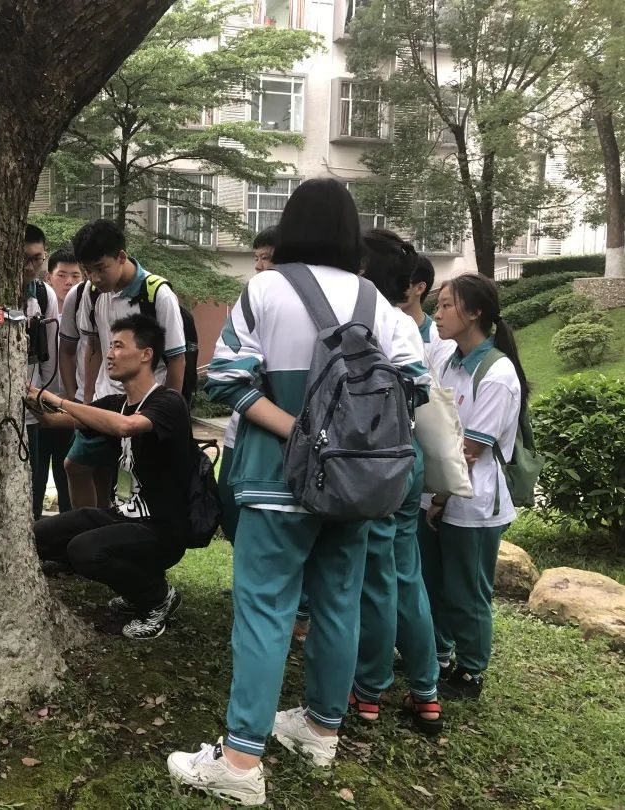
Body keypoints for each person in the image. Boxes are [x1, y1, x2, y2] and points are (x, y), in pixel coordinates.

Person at [167, 179, 428, 806]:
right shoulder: (374, 299)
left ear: (290, 227)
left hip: (274, 483)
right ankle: (320, 731)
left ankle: (239, 763)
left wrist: (300, 432)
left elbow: (227, 378)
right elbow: (414, 385)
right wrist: (346, 440)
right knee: (339, 604)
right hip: (354, 487)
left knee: (265, 610)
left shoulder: (265, 289)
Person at [29, 314, 194, 641]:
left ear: (146, 354)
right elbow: (54, 421)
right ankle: (136, 587)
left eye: (118, 346)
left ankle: (157, 597)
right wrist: (31, 397)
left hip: (163, 528)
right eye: (109, 346)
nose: (109, 354)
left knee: (84, 550)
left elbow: (126, 427)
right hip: (122, 516)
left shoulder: (168, 402)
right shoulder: (116, 404)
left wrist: (60, 400)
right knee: (39, 535)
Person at [349, 229, 442, 735]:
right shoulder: (406, 325)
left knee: (377, 579)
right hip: (410, 459)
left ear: (363, 271)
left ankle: (369, 691)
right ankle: (426, 692)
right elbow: (418, 393)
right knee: (407, 575)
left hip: (374, 465)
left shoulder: (361, 320)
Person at [418, 274, 527, 701]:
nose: (438, 314)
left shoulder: (497, 372)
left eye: (446, 305)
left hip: (472, 503)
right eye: (438, 305)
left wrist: (440, 498)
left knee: (467, 591)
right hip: (437, 496)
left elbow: (471, 450)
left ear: (475, 312)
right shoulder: (448, 360)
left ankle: (472, 670)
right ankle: (440, 654)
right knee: (433, 582)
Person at [62, 220, 186, 509]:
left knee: (130, 482)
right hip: (105, 400)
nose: (93, 277)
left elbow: (176, 359)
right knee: (76, 466)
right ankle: (89, 527)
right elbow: (93, 347)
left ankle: (118, 525)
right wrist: (86, 400)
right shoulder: (91, 293)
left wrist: (166, 412)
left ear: (121, 257)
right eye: (87, 270)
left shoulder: (157, 294)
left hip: (143, 407)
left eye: (100, 268)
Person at [217, 226, 276, 543]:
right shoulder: (251, 300)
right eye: (257, 258)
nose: (258, 266)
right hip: (241, 427)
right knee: (230, 510)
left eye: (265, 258)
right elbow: (225, 371)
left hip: (275, 437)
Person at [28, 246, 82, 517]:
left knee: (68, 476)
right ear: (49, 277)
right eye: (62, 275)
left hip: (70, 409)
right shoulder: (39, 307)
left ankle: (69, 531)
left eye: (75, 276)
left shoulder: (87, 313)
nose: (69, 282)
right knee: (35, 478)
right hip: (38, 407)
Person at [22, 226, 60, 519]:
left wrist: (46, 400)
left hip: (31, 408)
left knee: (34, 484)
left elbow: (50, 355)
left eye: (37, 259)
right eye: (25, 259)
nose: (30, 266)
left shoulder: (44, 295)